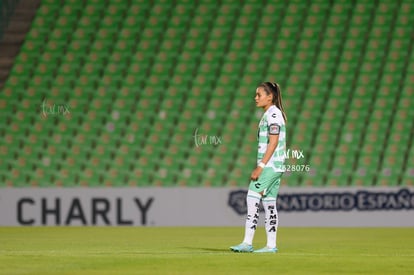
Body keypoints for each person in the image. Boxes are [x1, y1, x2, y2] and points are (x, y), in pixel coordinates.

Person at [230, 82, 287, 253]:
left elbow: (274, 141)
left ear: (270, 97)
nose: (255, 98)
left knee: (252, 197)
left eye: (259, 95)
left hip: (270, 165)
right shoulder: (270, 114)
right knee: (269, 204)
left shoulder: (273, 114)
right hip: (276, 165)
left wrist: (261, 166)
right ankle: (271, 245)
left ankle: (247, 243)